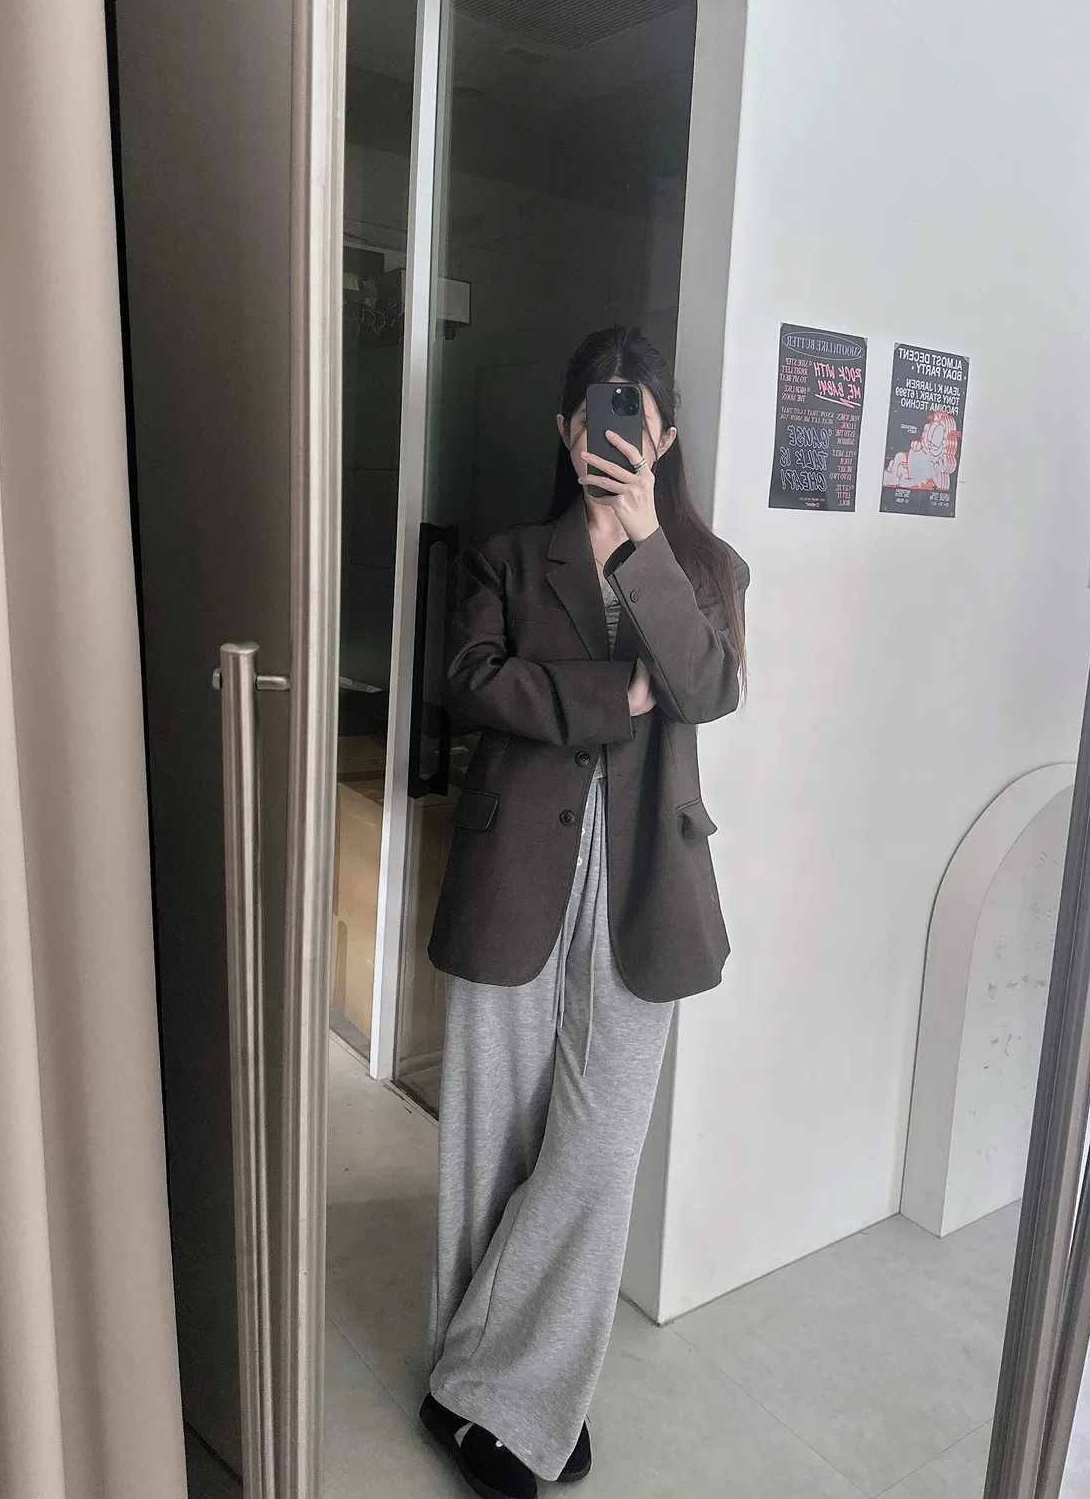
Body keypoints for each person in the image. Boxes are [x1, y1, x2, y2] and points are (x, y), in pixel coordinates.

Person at [418, 326, 749, 1499]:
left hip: (647, 886)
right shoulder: (510, 558)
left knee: (596, 1154)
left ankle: (491, 1382)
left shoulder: (706, 568)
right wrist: (615, 693)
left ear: (664, 437)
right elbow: (468, 682)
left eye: (637, 421)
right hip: (516, 871)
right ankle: (485, 1390)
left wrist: (646, 541)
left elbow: (708, 687)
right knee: (492, 1137)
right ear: (567, 429)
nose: (613, 438)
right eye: (595, 415)